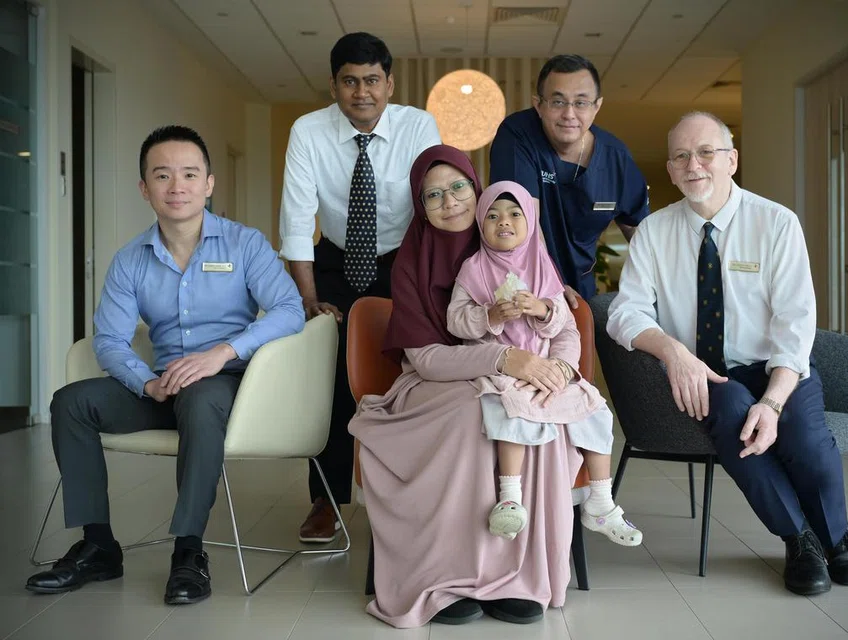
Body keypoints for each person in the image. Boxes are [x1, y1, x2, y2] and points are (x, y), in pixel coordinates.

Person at [25, 125, 305, 605]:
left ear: (209, 184)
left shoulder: (245, 245)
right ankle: (98, 545)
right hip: (162, 386)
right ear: (145, 188)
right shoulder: (130, 259)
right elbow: (110, 339)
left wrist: (222, 353)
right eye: (163, 175)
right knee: (70, 402)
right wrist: (148, 384)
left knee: (199, 398)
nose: (177, 186)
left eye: (190, 174)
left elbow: (289, 309)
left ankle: (189, 551)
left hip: (226, 385)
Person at [606, 112, 848, 595]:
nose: (694, 165)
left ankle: (838, 538)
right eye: (682, 156)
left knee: (800, 433)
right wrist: (672, 351)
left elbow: (796, 323)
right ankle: (800, 539)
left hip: (778, 366)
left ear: (731, 159)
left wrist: (772, 402)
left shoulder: (775, 223)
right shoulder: (652, 233)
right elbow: (624, 314)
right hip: (707, 373)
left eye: (706, 152)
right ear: (669, 170)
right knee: (731, 416)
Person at [348, 145, 582, 628]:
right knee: (474, 411)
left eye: (458, 187)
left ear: (477, 191)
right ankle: (446, 576)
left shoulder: (509, 243)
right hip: (432, 381)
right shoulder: (410, 264)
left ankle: (514, 577)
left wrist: (554, 369)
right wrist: (503, 356)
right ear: (420, 206)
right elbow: (427, 359)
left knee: (525, 408)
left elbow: (563, 326)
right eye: (433, 195)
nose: (450, 201)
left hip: (508, 376)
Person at [278, 32, 441, 543]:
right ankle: (325, 499)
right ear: (333, 85)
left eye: (372, 80)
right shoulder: (308, 131)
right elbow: (296, 223)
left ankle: (409, 497)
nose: (361, 92)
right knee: (331, 381)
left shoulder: (418, 126)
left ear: (389, 84)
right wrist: (307, 302)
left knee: (407, 375)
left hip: (404, 261)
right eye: (350, 81)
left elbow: (434, 212)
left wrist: (431, 290)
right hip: (335, 261)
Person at [447, 181, 641, 547]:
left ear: (530, 220)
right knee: (511, 412)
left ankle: (601, 501)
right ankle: (510, 498)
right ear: (480, 223)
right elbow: (455, 321)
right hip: (502, 369)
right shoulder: (473, 269)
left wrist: (543, 311)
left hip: (548, 370)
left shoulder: (542, 265)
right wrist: (489, 315)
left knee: (594, 409)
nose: (503, 221)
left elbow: (565, 327)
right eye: (492, 215)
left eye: (514, 213)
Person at [489, 54, 650, 304]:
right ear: (538, 105)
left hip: (580, 291)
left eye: (581, 103)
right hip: (520, 287)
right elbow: (523, 219)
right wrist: (550, 284)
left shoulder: (616, 159)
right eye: (557, 102)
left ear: (597, 106)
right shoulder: (518, 135)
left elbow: (641, 237)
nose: (569, 114)